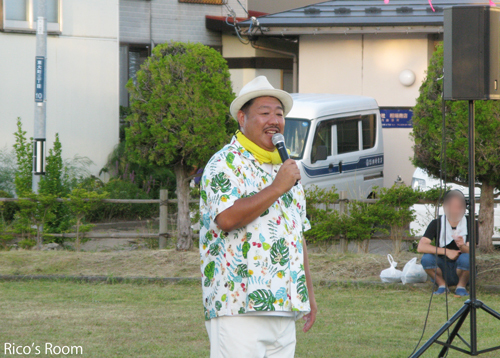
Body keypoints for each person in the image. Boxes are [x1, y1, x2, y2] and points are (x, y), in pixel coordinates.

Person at [199, 76, 317, 358]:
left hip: (285, 307)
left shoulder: (286, 169)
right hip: (238, 306)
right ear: (242, 118)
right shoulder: (224, 163)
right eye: (265, 113)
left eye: (279, 114)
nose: (274, 120)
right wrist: (276, 188)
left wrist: (308, 295)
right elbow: (226, 219)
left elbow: (296, 237)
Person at [417, 190, 471, 297]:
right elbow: (421, 246)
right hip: (442, 266)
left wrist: (462, 246)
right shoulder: (436, 223)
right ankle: (442, 285)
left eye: (459, 206)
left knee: (467, 258)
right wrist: (446, 251)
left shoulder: (471, 223)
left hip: (462, 268)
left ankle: (461, 286)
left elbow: (471, 251)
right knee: (426, 258)